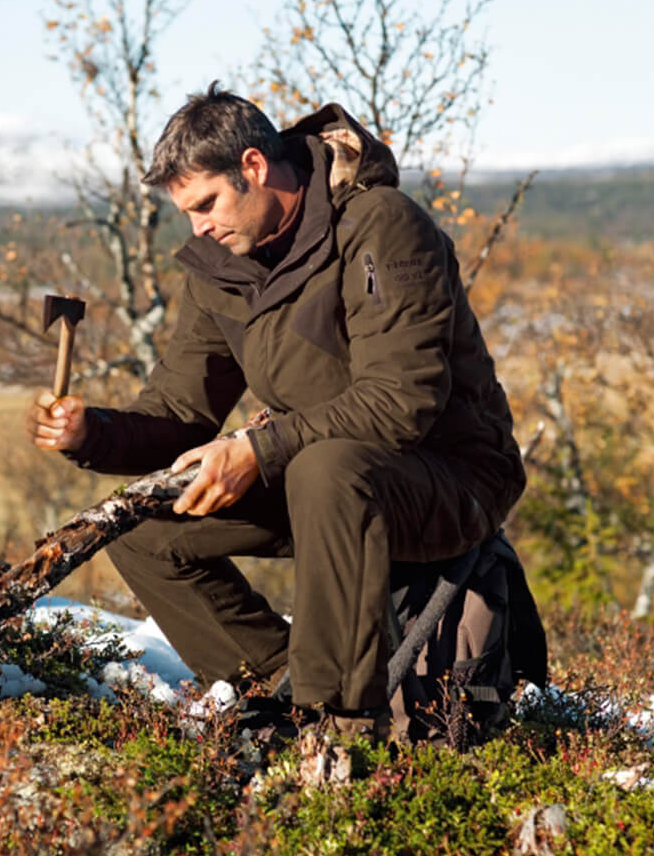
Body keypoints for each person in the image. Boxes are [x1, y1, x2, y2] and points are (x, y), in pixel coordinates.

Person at [26, 83, 525, 732]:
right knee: (148, 526)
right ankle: (271, 689)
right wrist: (92, 431)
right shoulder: (219, 268)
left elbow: (401, 402)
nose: (199, 226)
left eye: (206, 203)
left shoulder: (380, 224)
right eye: (187, 212)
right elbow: (180, 413)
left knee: (327, 472)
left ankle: (339, 721)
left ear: (254, 168)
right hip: (319, 470)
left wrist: (258, 450)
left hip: (450, 474)